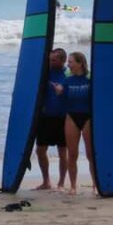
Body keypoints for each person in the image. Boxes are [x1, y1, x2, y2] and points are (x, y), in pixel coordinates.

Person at [52, 51, 94, 195]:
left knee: (90, 154)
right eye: (68, 62)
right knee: (72, 154)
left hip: (87, 117)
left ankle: (95, 184)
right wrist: (59, 92)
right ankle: (73, 186)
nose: (68, 64)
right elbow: (63, 100)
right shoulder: (67, 79)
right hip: (71, 117)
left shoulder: (90, 78)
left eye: (70, 62)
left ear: (80, 63)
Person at [34, 48, 68, 190]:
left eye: (54, 60)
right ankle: (46, 181)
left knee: (62, 151)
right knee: (40, 150)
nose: (50, 61)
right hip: (45, 117)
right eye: (50, 59)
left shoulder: (68, 74)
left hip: (62, 118)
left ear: (62, 60)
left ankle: (61, 182)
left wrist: (62, 92)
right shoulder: (44, 73)